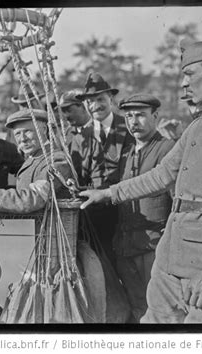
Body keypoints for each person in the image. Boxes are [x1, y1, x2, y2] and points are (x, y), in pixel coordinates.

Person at [79, 40, 202, 323]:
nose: (184, 85)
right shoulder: (200, 125)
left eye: (190, 74)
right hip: (171, 249)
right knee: (154, 322)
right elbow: (161, 175)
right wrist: (107, 194)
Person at [113, 93, 176, 322]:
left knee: (159, 311)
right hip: (126, 246)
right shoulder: (128, 152)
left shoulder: (168, 149)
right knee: (137, 308)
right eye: (129, 116)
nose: (133, 121)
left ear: (156, 116)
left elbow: (176, 202)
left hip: (154, 247)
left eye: (140, 115)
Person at [0, 109, 76, 213]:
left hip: (50, 236)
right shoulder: (33, 159)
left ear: (44, 130)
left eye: (28, 131)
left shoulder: (56, 160)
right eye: (17, 134)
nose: (22, 139)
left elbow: (34, 198)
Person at [75, 73, 135, 264]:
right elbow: (79, 176)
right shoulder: (79, 138)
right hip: (92, 212)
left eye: (100, 99)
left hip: (123, 209)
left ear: (111, 99)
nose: (95, 106)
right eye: (90, 102)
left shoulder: (128, 129)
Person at [60, 89, 106, 188]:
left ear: (83, 106)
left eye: (69, 110)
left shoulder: (101, 131)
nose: (66, 116)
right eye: (63, 111)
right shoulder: (66, 134)